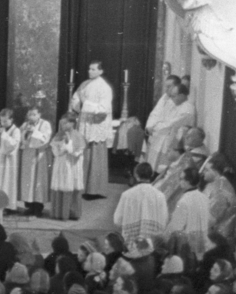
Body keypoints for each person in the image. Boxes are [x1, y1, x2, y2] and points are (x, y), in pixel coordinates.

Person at [68, 61, 114, 198]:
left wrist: (85, 104)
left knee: (95, 156)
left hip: (96, 125)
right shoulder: (84, 84)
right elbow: (75, 99)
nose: (90, 71)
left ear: (101, 71)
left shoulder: (104, 87)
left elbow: (104, 109)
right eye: (89, 68)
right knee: (83, 154)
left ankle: (95, 190)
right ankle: (82, 187)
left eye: (93, 69)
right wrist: (77, 103)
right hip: (84, 123)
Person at [142, 76, 196, 173]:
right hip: (159, 135)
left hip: (172, 142)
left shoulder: (187, 109)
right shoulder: (173, 101)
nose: (172, 98)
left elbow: (171, 124)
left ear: (182, 95)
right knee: (153, 166)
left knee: (164, 169)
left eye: (174, 96)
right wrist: (151, 126)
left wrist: (155, 128)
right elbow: (156, 114)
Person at [113, 164, 167, 249]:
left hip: (131, 244)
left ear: (136, 175)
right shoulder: (160, 196)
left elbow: (117, 220)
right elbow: (164, 221)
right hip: (152, 245)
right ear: (152, 174)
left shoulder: (127, 195)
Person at [16, 108, 53, 217]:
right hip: (27, 156)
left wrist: (34, 132)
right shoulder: (25, 125)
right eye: (30, 114)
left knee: (38, 182)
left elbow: (46, 138)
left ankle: (38, 208)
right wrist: (25, 133)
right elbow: (20, 138)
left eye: (34, 114)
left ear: (39, 115)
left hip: (38, 155)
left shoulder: (45, 124)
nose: (31, 116)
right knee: (27, 182)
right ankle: (29, 206)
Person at [49, 115, 85, 221]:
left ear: (72, 123)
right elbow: (54, 150)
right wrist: (59, 149)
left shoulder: (78, 135)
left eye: (65, 123)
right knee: (60, 185)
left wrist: (68, 142)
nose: (63, 125)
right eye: (62, 123)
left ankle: (72, 213)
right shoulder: (58, 135)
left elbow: (77, 152)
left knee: (70, 185)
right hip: (60, 163)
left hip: (71, 164)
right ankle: (59, 213)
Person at [167, 168, 211, 254]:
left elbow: (176, 227)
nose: (180, 181)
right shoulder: (205, 198)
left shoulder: (184, 201)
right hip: (202, 244)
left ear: (187, 181)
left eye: (181, 179)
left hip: (187, 247)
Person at [0, 108, 22, 213]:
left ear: (11, 119)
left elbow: (13, 145)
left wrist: (3, 135)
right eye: (1, 120)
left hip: (8, 160)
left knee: (7, 182)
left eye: (5, 121)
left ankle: (8, 206)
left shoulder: (16, 131)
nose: (3, 123)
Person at [202, 157, 236, 244]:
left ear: (215, 172)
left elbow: (210, 219)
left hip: (218, 241)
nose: (203, 172)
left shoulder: (220, 189)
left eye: (206, 170)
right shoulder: (219, 184)